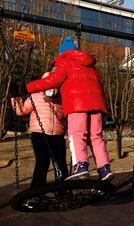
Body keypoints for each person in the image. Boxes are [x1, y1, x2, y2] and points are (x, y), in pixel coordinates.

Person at [26, 36, 113, 181]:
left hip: (77, 105)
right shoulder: (91, 66)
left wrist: (29, 87)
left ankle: (81, 165)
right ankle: (104, 168)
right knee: (96, 137)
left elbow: (52, 80)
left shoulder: (64, 62)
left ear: (62, 53)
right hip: (96, 105)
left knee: (77, 134)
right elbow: (99, 85)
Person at [11, 72, 69, 189]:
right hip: (39, 133)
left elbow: (67, 114)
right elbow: (21, 110)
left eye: (55, 85)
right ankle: (36, 191)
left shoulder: (62, 98)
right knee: (42, 161)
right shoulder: (35, 96)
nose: (52, 89)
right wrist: (15, 96)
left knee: (60, 163)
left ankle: (63, 191)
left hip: (57, 134)